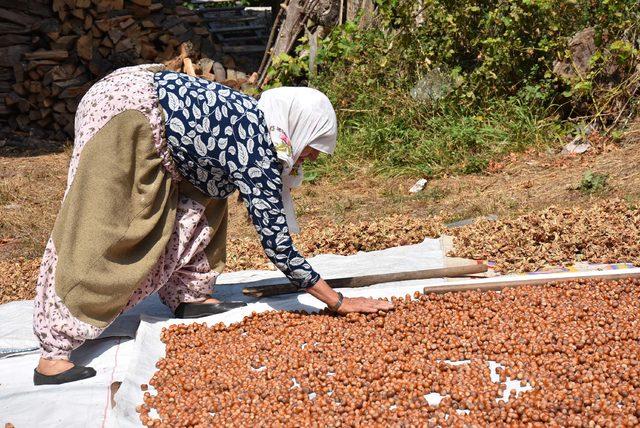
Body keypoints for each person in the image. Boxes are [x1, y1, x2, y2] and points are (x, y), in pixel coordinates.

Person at [32, 64, 393, 386]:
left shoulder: (260, 123)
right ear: (298, 128)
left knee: (208, 199)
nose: (311, 156)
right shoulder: (256, 148)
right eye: (313, 146)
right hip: (125, 111)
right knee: (105, 223)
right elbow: (276, 243)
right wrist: (337, 301)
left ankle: (187, 295)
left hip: (143, 102)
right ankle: (54, 350)